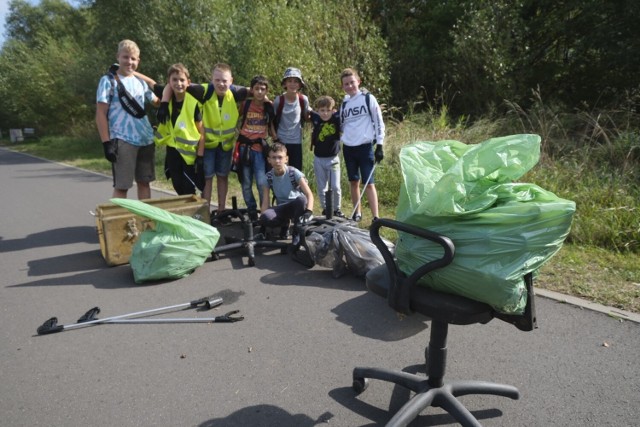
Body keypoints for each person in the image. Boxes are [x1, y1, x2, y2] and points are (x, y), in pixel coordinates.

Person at [162, 63, 250, 218]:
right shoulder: (204, 90)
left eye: (224, 81)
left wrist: (268, 101)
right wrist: (163, 103)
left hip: (225, 146)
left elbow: (257, 91)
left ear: (231, 81)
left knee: (223, 176)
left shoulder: (235, 93)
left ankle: (222, 211)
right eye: (217, 80)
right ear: (212, 80)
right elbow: (171, 85)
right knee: (207, 179)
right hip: (208, 145)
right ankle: (205, 212)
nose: (221, 84)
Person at [95, 39, 159, 199]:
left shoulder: (140, 82)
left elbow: (157, 102)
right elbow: (100, 114)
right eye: (125, 57)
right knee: (122, 186)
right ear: (118, 57)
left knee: (144, 183)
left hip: (146, 139)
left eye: (133, 58)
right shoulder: (107, 81)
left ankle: (146, 221)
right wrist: (106, 143)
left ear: (138, 61)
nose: (129, 62)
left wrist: (153, 82)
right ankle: (118, 222)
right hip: (123, 140)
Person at [339, 68, 385, 223]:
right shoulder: (344, 103)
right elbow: (342, 125)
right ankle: (356, 213)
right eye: (346, 84)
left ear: (358, 81)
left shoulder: (367, 98)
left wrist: (380, 144)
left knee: (369, 183)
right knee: (354, 181)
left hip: (365, 147)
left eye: (352, 82)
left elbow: (378, 121)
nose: (350, 86)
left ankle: (376, 217)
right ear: (343, 86)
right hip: (349, 148)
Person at [152, 64, 205, 195]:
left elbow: (202, 132)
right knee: (177, 185)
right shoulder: (166, 101)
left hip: (189, 155)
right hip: (172, 152)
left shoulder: (193, 103)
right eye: (174, 80)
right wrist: (121, 70)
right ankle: (184, 213)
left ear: (188, 83)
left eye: (182, 80)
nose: (178, 83)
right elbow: (149, 82)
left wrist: (200, 155)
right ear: (169, 83)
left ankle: (193, 214)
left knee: (189, 188)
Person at [233, 75, 277, 222]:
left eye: (262, 89)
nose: (259, 92)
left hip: (260, 150)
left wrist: (277, 141)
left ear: (266, 91)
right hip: (245, 147)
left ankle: (265, 210)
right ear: (251, 90)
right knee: (245, 182)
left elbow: (271, 127)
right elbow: (234, 118)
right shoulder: (245, 104)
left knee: (262, 182)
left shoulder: (268, 107)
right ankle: (251, 211)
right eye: (256, 89)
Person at [260, 142, 314, 246]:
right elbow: (265, 201)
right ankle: (285, 223)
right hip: (282, 207)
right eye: (274, 157)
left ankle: (296, 233)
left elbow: (309, 194)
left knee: (301, 200)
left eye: (280, 157)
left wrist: (309, 211)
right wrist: (263, 222)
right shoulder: (268, 177)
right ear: (269, 160)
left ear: (286, 159)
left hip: (297, 205)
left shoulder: (293, 173)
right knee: (266, 217)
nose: (277, 161)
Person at [310, 95, 344, 218]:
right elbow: (306, 109)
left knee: (335, 186)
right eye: (322, 110)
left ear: (333, 110)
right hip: (319, 159)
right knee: (321, 186)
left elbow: (345, 106)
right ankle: (325, 208)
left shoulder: (336, 119)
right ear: (318, 111)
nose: (325, 113)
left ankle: (337, 209)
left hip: (333, 159)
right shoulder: (315, 119)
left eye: (328, 110)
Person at [273, 67, 311, 171]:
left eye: (296, 81)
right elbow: (271, 120)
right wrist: (275, 137)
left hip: (296, 141)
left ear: (299, 85)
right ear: (285, 84)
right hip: (280, 141)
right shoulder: (278, 101)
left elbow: (306, 117)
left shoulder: (303, 100)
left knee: (296, 172)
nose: (292, 84)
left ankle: (295, 188)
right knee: (280, 171)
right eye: (289, 81)